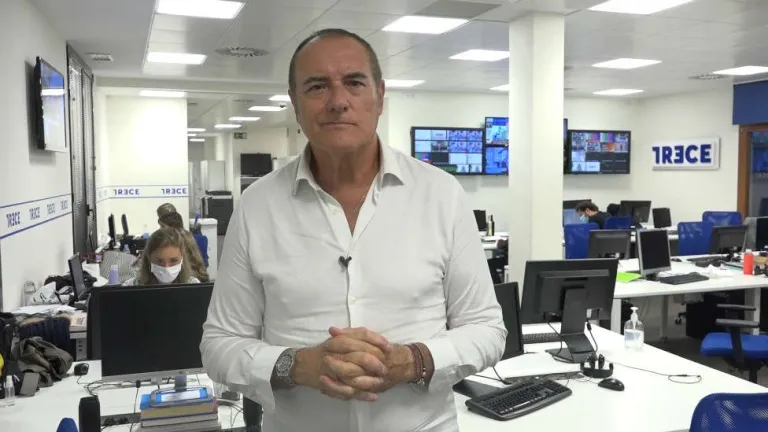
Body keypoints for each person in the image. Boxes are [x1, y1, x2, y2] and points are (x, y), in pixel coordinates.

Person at [200, 28, 506, 431]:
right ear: (295, 104)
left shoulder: (441, 195)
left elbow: (486, 329)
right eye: (317, 86)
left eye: (354, 83)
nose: (338, 101)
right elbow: (219, 345)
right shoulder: (257, 206)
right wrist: (295, 365)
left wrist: (414, 361)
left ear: (380, 96)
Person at [123, 228, 200, 286]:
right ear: (149, 259)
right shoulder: (130, 287)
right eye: (159, 261)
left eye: (173, 260)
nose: (166, 268)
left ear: (182, 259)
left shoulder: (194, 286)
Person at [158, 211, 210, 282]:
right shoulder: (187, 235)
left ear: (170, 227)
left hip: (187, 278)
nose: (160, 230)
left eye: (162, 227)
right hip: (199, 275)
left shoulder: (174, 241)